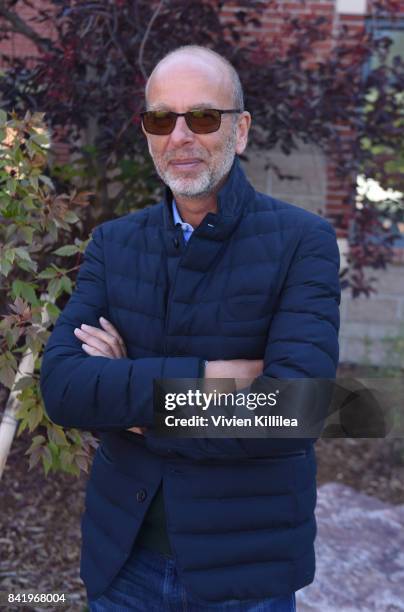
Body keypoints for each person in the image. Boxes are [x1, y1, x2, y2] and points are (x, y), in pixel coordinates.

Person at [40, 45, 341, 611]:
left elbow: (295, 412)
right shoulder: (114, 242)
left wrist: (128, 397)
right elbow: (62, 388)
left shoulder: (303, 242)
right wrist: (211, 378)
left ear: (241, 129)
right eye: (161, 118)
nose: (179, 136)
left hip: (244, 573)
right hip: (122, 561)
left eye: (202, 117)